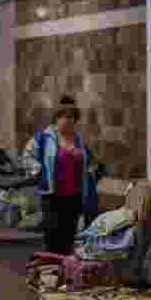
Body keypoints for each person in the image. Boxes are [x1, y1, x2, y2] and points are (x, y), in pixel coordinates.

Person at [24, 96, 101, 255]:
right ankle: (51, 272)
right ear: (56, 119)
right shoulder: (44, 138)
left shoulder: (79, 140)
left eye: (72, 117)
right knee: (53, 238)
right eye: (64, 117)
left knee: (69, 238)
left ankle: (65, 272)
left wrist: (91, 171)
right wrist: (39, 171)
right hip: (52, 197)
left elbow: (90, 162)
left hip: (75, 197)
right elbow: (27, 156)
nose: (68, 120)